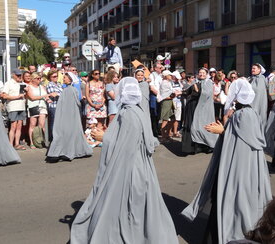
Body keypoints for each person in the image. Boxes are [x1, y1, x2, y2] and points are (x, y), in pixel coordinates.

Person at [70, 77, 178, 244]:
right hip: (139, 167)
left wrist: (104, 137)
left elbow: (126, 146)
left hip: (130, 168)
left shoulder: (128, 113)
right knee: (138, 207)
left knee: (127, 205)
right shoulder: (138, 111)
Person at [182, 78, 272, 243]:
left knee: (231, 198)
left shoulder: (243, 115)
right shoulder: (249, 112)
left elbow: (241, 142)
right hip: (242, 165)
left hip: (238, 167)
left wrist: (223, 131)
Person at [46, 72, 93, 162]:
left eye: (65, 77)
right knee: (63, 132)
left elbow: (75, 103)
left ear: (70, 79)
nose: (63, 79)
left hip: (70, 115)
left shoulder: (71, 90)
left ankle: (65, 152)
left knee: (68, 132)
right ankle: (60, 152)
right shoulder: (66, 89)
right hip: (65, 115)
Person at [182, 68, 215, 154]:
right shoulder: (196, 82)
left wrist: (198, 90)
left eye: (203, 73)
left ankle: (208, 145)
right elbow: (187, 92)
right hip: (193, 107)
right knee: (195, 127)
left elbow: (207, 94)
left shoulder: (209, 83)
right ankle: (196, 147)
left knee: (204, 126)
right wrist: (181, 92)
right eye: (200, 72)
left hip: (204, 108)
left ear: (207, 74)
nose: (201, 74)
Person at [25, 72, 53, 149]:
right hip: (33, 106)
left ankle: (41, 141)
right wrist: (44, 96)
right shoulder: (29, 87)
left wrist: (48, 99)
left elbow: (46, 96)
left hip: (42, 106)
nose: (39, 80)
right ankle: (31, 142)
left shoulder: (42, 87)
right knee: (32, 125)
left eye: (40, 78)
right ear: (33, 79)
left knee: (42, 125)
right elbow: (32, 97)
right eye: (38, 78)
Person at [1, 68, 27, 150]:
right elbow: (4, 95)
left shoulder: (22, 83)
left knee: (19, 126)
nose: (19, 76)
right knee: (13, 126)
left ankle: (17, 144)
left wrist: (26, 92)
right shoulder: (8, 83)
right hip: (13, 107)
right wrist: (17, 97)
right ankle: (10, 144)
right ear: (13, 75)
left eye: (20, 75)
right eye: (18, 75)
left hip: (21, 106)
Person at [46, 70, 63, 143]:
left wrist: (60, 94)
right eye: (54, 76)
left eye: (56, 76)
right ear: (50, 78)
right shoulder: (50, 84)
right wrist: (61, 94)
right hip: (53, 106)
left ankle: (58, 138)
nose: (56, 78)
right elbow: (53, 94)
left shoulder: (59, 84)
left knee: (59, 123)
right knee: (53, 123)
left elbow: (60, 94)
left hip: (60, 106)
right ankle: (52, 139)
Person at [149, 62, 163, 137]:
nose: (161, 69)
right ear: (155, 68)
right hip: (154, 96)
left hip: (159, 97)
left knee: (158, 114)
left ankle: (157, 128)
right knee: (154, 114)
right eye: (160, 68)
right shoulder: (152, 75)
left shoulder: (160, 76)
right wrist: (157, 94)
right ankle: (154, 131)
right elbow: (151, 87)